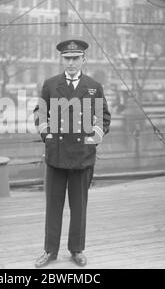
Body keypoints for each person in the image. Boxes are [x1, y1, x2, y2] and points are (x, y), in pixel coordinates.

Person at [34, 39, 111, 268]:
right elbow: (40, 112)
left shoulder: (94, 86)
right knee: (53, 206)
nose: (71, 63)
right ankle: (50, 251)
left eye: (76, 58)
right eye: (67, 58)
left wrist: (93, 139)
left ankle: (76, 249)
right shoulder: (50, 85)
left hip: (82, 156)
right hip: (56, 155)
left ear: (83, 60)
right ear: (61, 60)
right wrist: (46, 135)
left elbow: (104, 117)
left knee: (79, 207)